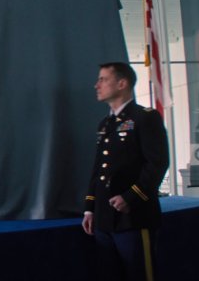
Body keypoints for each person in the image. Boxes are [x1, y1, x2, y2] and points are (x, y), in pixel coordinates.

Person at [82, 62, 169, 281]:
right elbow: (99, 168)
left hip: (133, 217)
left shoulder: (145, 117)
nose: (96, 85)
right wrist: (90, 208)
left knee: (139, 274)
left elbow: (157, 163)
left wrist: (131, 196)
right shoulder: (106, 123)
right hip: (104, 218)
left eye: (103, 79)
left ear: (122, 83)